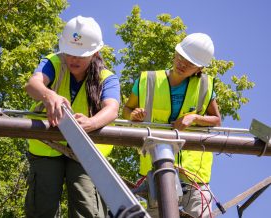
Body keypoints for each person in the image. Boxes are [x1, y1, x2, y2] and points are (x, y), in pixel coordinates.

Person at [24, 16, 120, 218]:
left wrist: (92, 122)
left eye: (81, 55)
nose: (73, 59)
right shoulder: (53, 62)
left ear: (95, 53)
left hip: (87, 151)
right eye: (70, 53)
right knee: (42, 208)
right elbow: (33, 84)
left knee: (87, 209)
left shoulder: (107, 78)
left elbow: (112, 109)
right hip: (47, 147)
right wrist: (49, 94)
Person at [122, 33, 221, 217]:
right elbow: (126, 110)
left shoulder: (205, 86)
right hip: (155, 169)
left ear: (199, 68)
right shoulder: (148, 81)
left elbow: (216, 120)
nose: (182, 64)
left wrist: (194, 118)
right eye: (181, 57)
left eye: (190, 63)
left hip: (194, 176)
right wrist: (134, 115)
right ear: (175, 53)